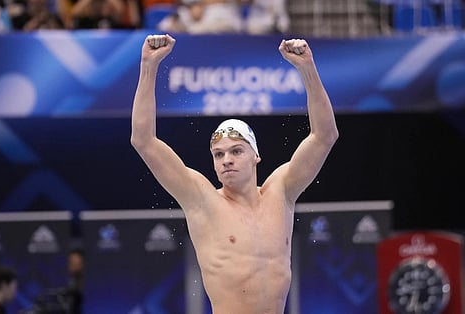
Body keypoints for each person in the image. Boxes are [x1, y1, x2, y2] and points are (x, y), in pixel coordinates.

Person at [130, 34, 338, 314]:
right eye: (219, 154)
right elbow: (143, 140)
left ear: (256, 156)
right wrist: (148, 66)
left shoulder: (282, 191)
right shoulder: (202, 200)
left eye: (236, 151)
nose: (226, 160)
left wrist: (307, 69)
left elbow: (325, 136)